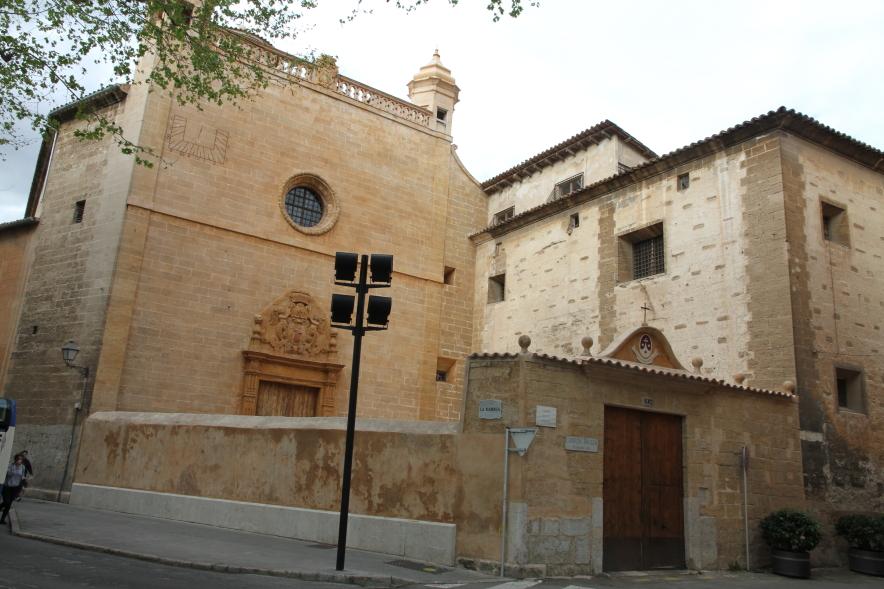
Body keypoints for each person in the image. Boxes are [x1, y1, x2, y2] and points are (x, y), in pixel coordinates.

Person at [0, 454, 27, 524]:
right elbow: (8, 474)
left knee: (9, 504)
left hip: (16, 488)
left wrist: (23, 486)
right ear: (15, 459)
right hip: (7, 486)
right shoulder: (10, 466)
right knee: (6, 502)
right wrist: (14, 469)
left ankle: (2, 519)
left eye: (21, 459)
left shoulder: (23, 467)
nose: (19, 461)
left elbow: (23, 476)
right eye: (18, 459)